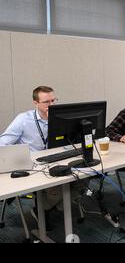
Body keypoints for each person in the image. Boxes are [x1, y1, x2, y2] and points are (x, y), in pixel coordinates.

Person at [0, 86, 62, 230]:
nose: (52, 105)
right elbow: (3, 143)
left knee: (83, 178)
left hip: (57, 160)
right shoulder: (23, 120)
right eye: (47, 102)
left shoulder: (59, 117)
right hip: (34, 167)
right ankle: (42, 209)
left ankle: (44, 208)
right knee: (59, 187)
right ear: (35, 103)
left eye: (54, 100)